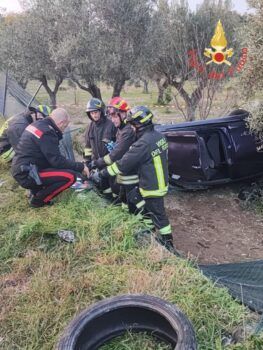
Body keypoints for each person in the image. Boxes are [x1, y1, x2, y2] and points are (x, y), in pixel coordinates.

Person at [97, 106, 173, 249]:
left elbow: (122, 165)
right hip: (158, 181)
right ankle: (150, 233)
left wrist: (102, 173)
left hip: (152, 186)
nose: (131, 128)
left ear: (139, 125)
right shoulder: (159, 136)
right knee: (147, 211)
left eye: (132, 124)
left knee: (159, 217)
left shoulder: (143, 143)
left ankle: (168, 245)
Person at [11, 108, 89, 208]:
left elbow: (48, 158)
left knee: (59, 171)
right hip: (28, 174)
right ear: (61, 123)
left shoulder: (39, 125)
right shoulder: (47, 132)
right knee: (71, 177)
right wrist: (80, 167)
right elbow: (57, 161)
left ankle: (36, 191)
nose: (64, 130)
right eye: (65, 127)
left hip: (23, 168)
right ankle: (39, 201)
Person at [90, 97, 138, 208]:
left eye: (115, 116)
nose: (113, 120)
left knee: (131, 200)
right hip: (124, 171)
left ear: (124, 114)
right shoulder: (121, 128)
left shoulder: (128, 130)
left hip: (131, 173)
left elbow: (116, 155)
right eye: (111, 116)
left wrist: (97, 163)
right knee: (123, 198)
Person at [84, 97, 116, 195]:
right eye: (92, 113)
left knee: (114, 187)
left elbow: (118, 145)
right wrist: (87, 162)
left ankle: (116, 202)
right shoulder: (90, 127)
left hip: (110, 163)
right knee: (103, 187)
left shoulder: (111, 124)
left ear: (101, 111)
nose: (94, 115)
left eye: (96, 112)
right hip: (96, 163)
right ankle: (108, 203)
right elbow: (87, 147)